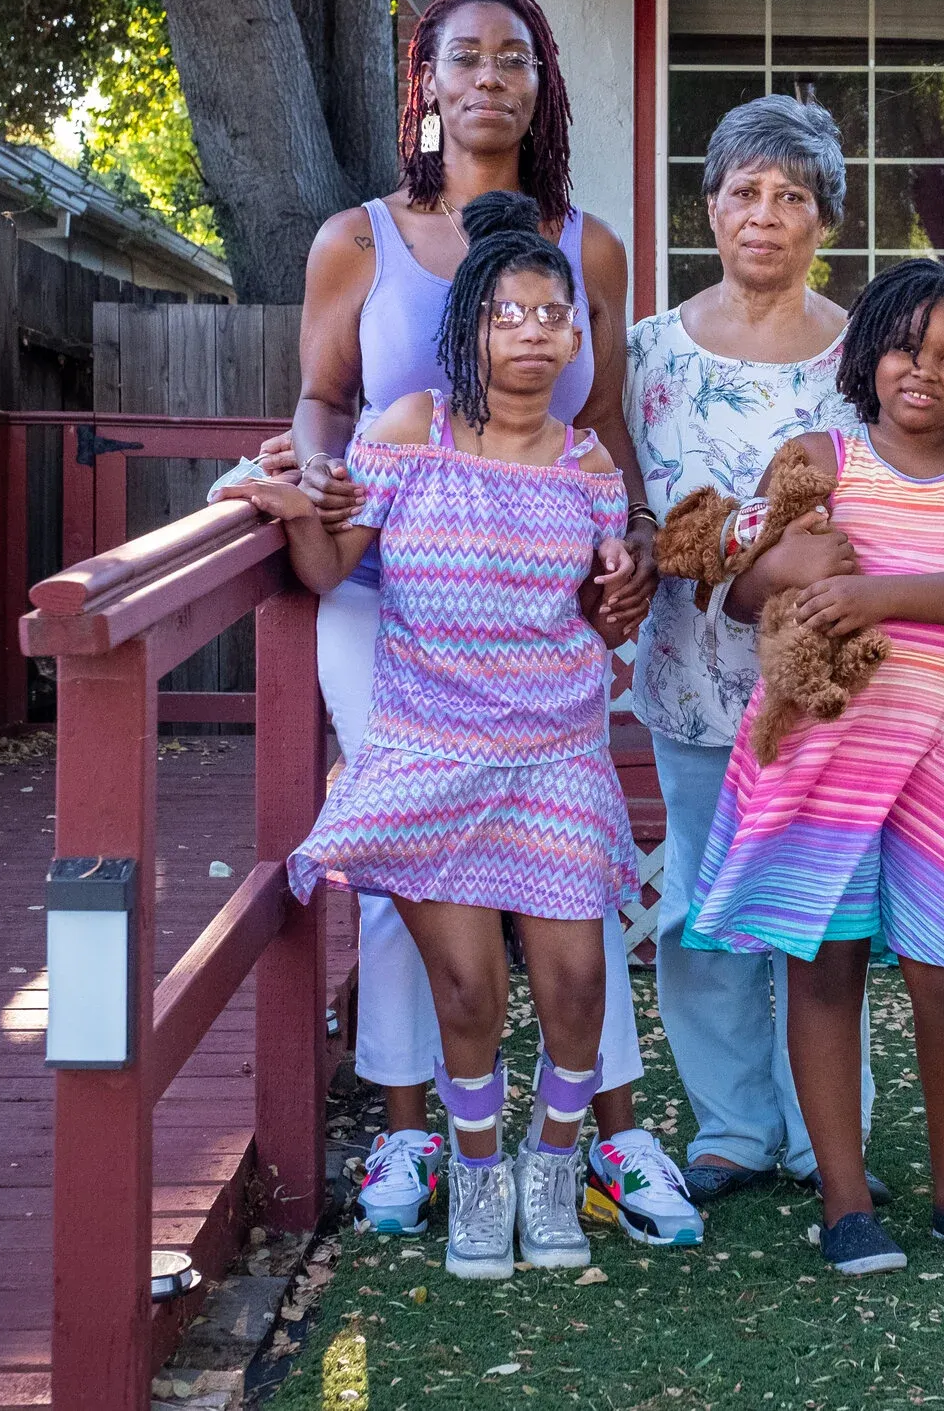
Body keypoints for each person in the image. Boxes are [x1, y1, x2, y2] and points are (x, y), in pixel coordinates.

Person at [261, 0, 695, 1248]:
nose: (491, 76)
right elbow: (321, 398)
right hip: (382, 592)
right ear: (429, 82)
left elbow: (603, 422)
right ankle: (415, 1130)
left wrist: (638, 544)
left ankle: (603, 1133)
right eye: (466, 57)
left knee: (567, 857)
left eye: (516, 58)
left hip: (539, 600)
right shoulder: (359, 237)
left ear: (542, 85)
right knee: (409, 855)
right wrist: (317, 486)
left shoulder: (587, 248)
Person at [229, 193, 636, 1281]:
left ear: (576, 337)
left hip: (554, 754)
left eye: (555, 315)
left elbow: (602, 613)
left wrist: (624, 583)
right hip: (431, 746)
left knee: (577, 985)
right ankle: (480, 1171)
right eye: (511, 314)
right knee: (466, 989)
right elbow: (330, 567)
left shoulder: (590, 465)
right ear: (468, 328)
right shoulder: (410, 428)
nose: (537, 332)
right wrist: (293, 506)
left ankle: (556, 1163)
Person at [686, 260, 944, 1277]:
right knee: (824, 967)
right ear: (868, 351)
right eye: (905, 347)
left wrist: (877, 598)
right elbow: (743, 589)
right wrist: (787, 567)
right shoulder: (820, 457)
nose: (924, 371)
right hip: (823, 749)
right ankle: (845, 1205)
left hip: (928, 750)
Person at [625, 95, 887, 1207]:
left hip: (823, 686)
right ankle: (731, 1126)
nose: (766, 214)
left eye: (792, 195)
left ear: (825, 217)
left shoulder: (867, 352)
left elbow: (904, 503)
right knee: (702, 906)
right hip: (689, 680)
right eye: (745, 191)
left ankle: (826, 1130)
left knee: (824, 914)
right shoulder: (647, 351)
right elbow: (629, 505)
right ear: (711, 207)